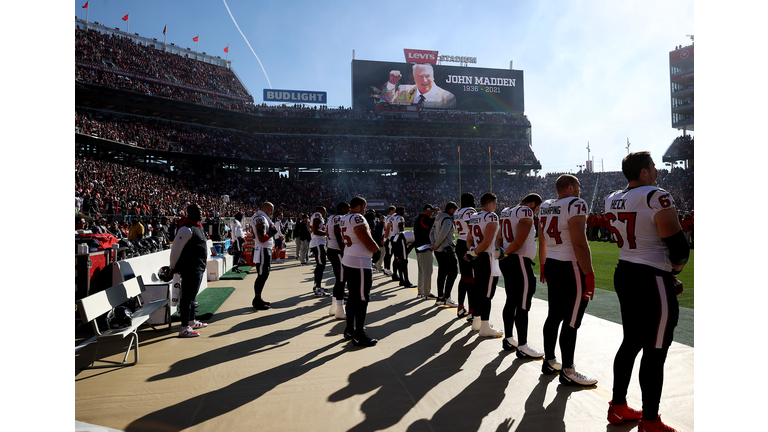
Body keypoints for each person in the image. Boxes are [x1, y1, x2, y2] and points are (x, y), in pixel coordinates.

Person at [604, 151, 689, 431]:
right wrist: (672, 274)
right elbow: (678, 248)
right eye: (652, 167)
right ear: (643, 171)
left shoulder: (611, 198)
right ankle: (650, 420)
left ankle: (617, 407)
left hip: (624, 271)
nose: (656, 171)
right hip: (652, 277)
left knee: (631, 342)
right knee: (655, 349)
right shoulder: (655, 196)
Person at [538, 174, 597, 386]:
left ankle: (549, 360)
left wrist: (543, 264)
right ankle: (568, 370)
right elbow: (580, 243)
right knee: (571, 320)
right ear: (571, 187)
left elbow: (542, 240)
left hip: (552, 263)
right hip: (570, 266)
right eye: (578, 186)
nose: (580, 190)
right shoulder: (575, 204)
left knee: (554, 316)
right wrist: (589, 274)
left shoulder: (546, 205)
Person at [498, 194, 545, 358]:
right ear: (532, 203)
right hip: (518, 260)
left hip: (507, 261)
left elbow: (499, 237)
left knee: (511, 300)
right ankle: (523, 346)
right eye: (537, 208)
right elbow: (518, 242)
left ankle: (509, 339)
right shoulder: (525, 211)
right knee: (523, 303)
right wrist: (506, 252)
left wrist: (501, 253)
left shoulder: (506, 210)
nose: (536, 212)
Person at [339, 196, 381, 347]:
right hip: (359, 262)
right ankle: (359, 334)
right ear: (358, 207)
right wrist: (377, 250)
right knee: (362, 299)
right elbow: (366, 239)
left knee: (352, 297)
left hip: (349, 259)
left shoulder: (345, 218)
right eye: (364, 207)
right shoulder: (357, 217)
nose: (365, 210)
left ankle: (350, 329)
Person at [465, 192, 503, 338]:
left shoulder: (474, 217)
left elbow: (469, 239)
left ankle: (477, 321)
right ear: (490, 203)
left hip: (478, 256)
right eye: (495, 203)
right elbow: (487, 241)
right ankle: (485, 326)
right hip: (487, 257)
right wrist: (476, 252)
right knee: (487, 293)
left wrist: (472, 251)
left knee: (479, 290)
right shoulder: (491, 216)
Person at [169, 203, 209, 338]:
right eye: (198, 211)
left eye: (202, 210)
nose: (201, 213)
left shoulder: (198, 227)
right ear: (190, 212)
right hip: (190, 268)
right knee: (186, 298)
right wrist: (172, 267)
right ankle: (184, 327)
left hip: (198, 267)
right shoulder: (186, 229)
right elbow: (175, 250)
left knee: (192, 297)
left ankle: (191, 321)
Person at [382, 63, 457, 109]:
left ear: (433, 76)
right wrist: (391, 83)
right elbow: (386, 103)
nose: (424, 80)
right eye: (420, 76)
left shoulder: (448, 98)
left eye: (427, 76)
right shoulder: (402, 90)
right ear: (414, 77)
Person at [430, 202, 459, 307]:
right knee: (453, 272)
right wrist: (437, 244)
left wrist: (434, 244)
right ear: (451, 209)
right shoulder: (447, 219)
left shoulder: (437, 218)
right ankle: (447, 297)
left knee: (442, 273)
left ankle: (440, 297)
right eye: (455, 210)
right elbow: (443, 233)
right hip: (446, 250)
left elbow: (431, 232)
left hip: (438, 250)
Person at [454, 193, 477, 320]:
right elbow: (472, 227)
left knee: (464, 277)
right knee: (472, 278)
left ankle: (461, 306)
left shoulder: (457, 211)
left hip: (460, 244)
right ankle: (472, 310)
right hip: (468, 243)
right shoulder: (470, 210)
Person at [251, 202, 278, 310]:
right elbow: (261, 238)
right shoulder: (260, 218)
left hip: (264, 249)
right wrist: (272, 233)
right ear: (266, 209)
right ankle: (257, 300)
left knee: (264, 275)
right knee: (262, 275)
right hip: (262, 249)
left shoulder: (263, 218)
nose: (272, 212)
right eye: (271, 210)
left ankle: (258, 298)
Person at [327, 202, 350, 320]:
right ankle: (340, 309)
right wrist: (342, 247)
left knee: (339, 279)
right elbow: (337, 230)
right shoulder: (339, 218)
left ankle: (334, 306)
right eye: (347, 208)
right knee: (341, 279)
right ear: (343, 208)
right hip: (336, 250)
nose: (348, 210)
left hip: (331, 248)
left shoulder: (331, 217)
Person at [414, 204, 436, 300]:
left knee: (421, 271)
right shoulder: (424, 219)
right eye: (431, 212)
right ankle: (427, 293)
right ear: (428, 211)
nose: (432, 214)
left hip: (419, 247)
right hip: (425, 247)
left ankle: (421, 291)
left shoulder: (419, 218)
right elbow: (434, 223)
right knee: (427, 271)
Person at [310, 206, 331, 297]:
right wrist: (327, 233)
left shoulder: (318, 216)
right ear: (319, 210)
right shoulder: (317, 215)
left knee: (320, 265)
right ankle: (317, 288)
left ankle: (317, 286)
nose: (325, 212)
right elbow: (315, 231)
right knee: (321, 265)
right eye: (324, 210)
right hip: (318, 242)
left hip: (319, 242)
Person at [387, 206, 406, 284]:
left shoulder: (391, 217)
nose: (404, 212)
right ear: (400, 211)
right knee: (401, 258)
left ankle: (395, 274)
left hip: (392, 238)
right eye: (403, 210)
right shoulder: (400, 218)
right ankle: (401, 278)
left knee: (395, 257)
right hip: (398, 239)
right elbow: (401, 229)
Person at [382, 206, 397, 277]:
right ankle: (387, 269)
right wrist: (385, 239)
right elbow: (387, 229)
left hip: (387, 237)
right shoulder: (390, 218)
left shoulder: (386, 218)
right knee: (389, 255)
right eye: (394, 210)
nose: (395, 211)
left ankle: (386, 269)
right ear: (391, 210)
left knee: (388, 254)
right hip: (389, 238)